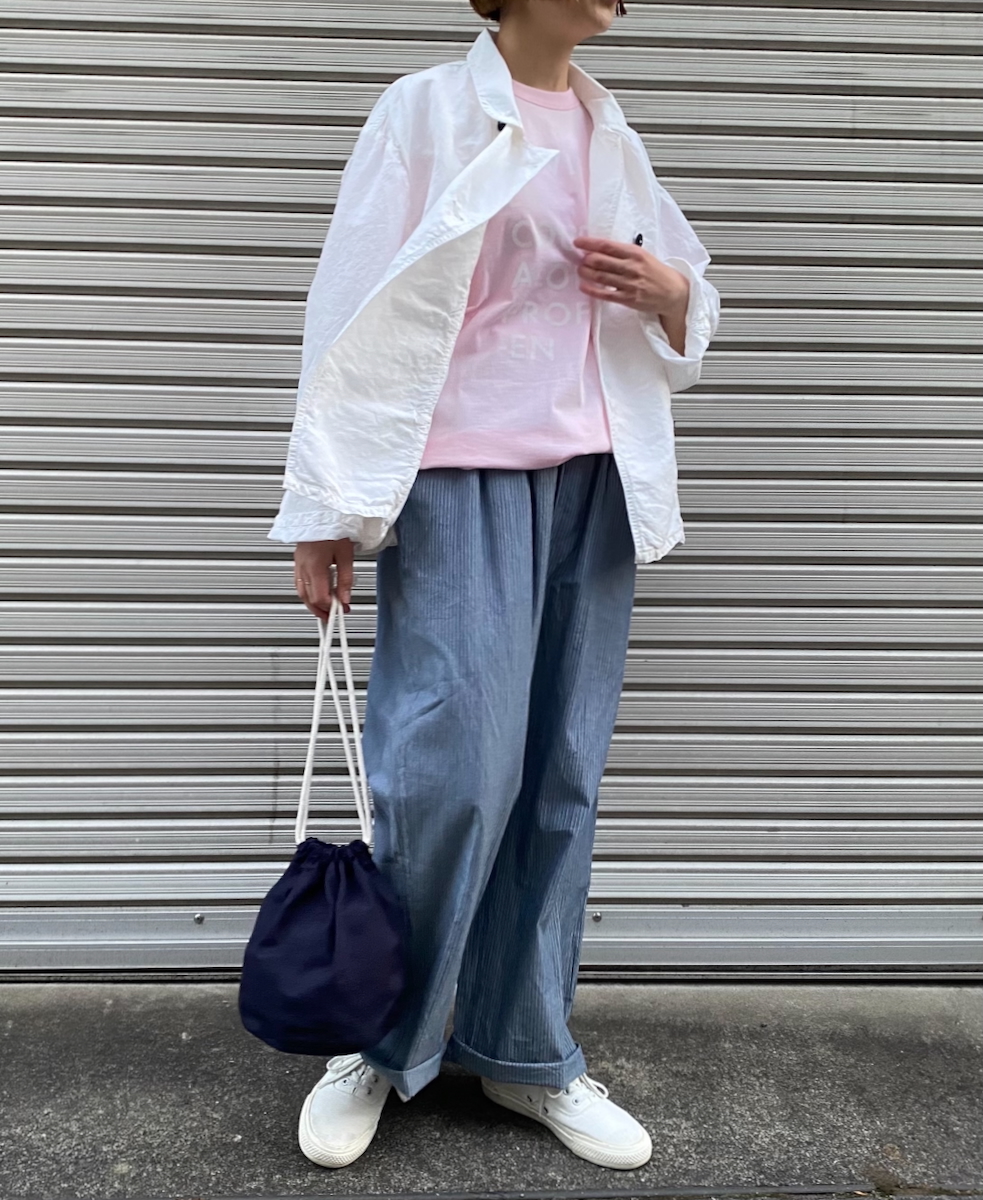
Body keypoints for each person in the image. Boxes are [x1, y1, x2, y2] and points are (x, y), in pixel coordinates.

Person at [269, 0, 720, 1172]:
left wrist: (670, 291)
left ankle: (526, 1051)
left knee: (560, 777)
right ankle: (379, 1042)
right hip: (457, 478)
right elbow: (352, 299)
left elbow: (689, 298)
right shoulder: (422, 111)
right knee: (448, 774)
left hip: (594, 483)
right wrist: (324, 508)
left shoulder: (610, 133)